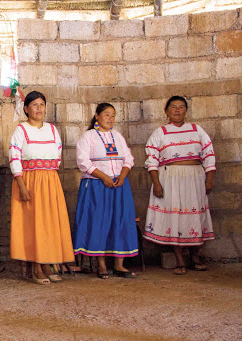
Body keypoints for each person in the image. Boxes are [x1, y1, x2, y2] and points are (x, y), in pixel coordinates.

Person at [9, 91, 75, 285]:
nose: (39, 109)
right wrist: (21, 184)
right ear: (26, 109)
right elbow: (14, 157)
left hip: (50, 181)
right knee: (33, 224)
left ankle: (47, 263)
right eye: (35, 105)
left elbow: (58, 155)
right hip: (29, 181)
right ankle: (36, 267)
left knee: (50, 223)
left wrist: (49, 177)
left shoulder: (53, 130)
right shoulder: (21, 130)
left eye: (42, 105)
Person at [144, 96, 215, 275]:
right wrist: (156, 183)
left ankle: (196, 257)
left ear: (186, 110)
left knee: (194, 215)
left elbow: (209, 155)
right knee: (175, 217)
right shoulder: (160, 133)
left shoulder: (197, 130)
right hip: (170, 178)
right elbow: (151, 160)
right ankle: (179, 261)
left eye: (181, 107)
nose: (177, 110)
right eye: (173, 107)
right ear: (166, 111)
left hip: (194, 178)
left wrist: (209, 179)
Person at [73, 103, 138, 279]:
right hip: (97, 186)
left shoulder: (118, 136)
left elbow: (128, 158)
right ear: (97, 116)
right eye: (107, 114)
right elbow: (83, 162)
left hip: (118, 185)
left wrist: (123, 176)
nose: (110, 118)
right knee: (99, 223)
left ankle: (119, 265)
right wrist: (103, 176)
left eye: (113, 115)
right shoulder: (88, 137)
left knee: (120, 222)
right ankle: (101, 265)